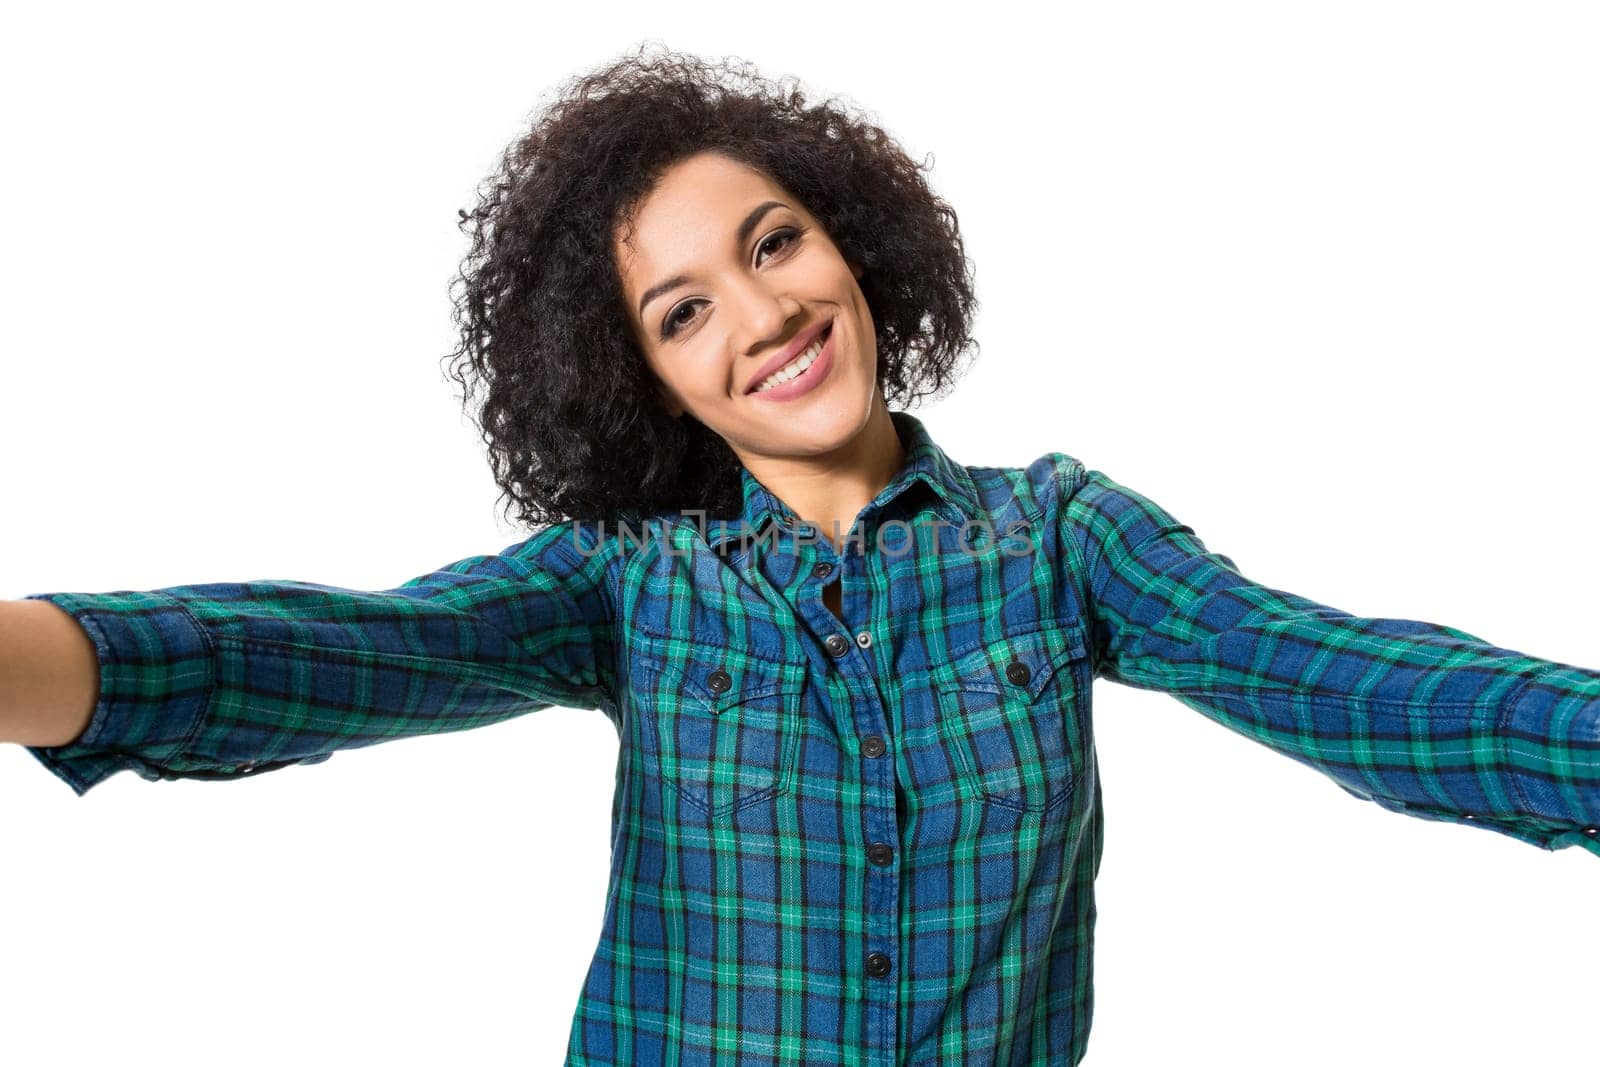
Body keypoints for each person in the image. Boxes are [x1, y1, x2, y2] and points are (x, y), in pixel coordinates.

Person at [1, 41, 1596, 1066]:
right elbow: (330, 652)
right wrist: (34, 658)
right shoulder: (625, 582)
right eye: (683, 309)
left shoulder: (1059, 539)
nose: (762, 317)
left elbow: (1343, 680)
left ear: (852, 241)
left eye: (775, 244)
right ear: (641, 375)